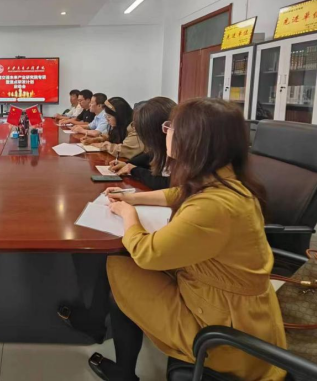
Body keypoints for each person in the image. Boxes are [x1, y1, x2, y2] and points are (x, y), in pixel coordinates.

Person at [90, 98, 286, 381]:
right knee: (121, 266)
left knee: (119, 267)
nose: (166, 131)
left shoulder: (213, 207)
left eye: (171, 127)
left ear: (194, 140)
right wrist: (131, 197)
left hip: (221, 327)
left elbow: (147, 253)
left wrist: (127, 213)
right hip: (223, 298)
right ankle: (122, 366)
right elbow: (179, 193)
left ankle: (124, 372)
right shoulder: (227, 181)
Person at [109, 97, 175, 190]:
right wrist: (128, 164)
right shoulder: (164, 146)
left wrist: (134, 170)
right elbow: (152, 154)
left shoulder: (179, 152)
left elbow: (170, 183)